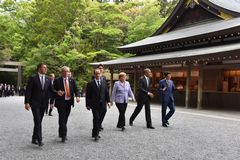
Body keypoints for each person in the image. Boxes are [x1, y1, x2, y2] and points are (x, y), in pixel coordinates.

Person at [24, 63, 53, 146]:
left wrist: (58, 92)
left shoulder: (48, 79)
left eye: (46, 68)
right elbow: (28, 90)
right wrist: (27, 102)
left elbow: (51, 90)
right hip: (35, 103)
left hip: (44, 104)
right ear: (39, 68)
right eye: (44, 67)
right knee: (37, 120)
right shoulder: (33, 78)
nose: (46, 69)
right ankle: (39, 140)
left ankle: (34, 138)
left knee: (39, 121)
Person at [53, 66, 80, 142]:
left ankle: (61, 131)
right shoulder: (57, 80)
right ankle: (64, 135)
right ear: (62, 72)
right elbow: (52, 90)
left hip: (69, 102)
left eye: (67, 71)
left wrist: (78, 96)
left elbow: (76, 89)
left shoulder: (72, 80)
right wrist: (57, 92)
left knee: (65, 118)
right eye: (64, 71)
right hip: (60, 102)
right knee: (62, 118)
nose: (66, 73)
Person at [86, 68, 110, 141]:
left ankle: (94, 130)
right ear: (94, 74)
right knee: (96, 118)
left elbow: (106, 92)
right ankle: (96, 134)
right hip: (94, 104)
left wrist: (108, 101)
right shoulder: (90, 83)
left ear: (101, 74)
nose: (97, 75)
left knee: (100, 117)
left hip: (102, 104)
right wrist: (87, 104)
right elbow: (88, 95)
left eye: (99, 73)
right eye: (96, 73)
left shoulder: (103, 82)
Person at [97, 64, 108, 131]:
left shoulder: (104, 77)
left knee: (104, 111)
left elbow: (106, 89)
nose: (101, 69)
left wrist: (108, 100)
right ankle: (97, 126)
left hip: (103, 98)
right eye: (100, 68)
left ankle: (99, 123)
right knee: (97, 113)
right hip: (96, 99)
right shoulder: (94, 77)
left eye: (102, 68)